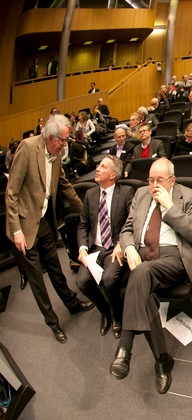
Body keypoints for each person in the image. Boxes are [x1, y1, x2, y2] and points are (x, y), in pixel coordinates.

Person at [109, 158, 192, 394]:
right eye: (150, 179)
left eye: (159, 180)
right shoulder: (141, 194)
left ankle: (124, 349)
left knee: (139, 275)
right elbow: (127, 228)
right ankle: (162, 361)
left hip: (172, 259)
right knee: (143, 291)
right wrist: (129, 247)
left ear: (172, 180)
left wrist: (169, 207)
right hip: (141, 256)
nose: (153, 185)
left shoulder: (189, 196)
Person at [5, 114, 94, 344]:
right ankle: (53, 323)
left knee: (56, 268)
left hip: (44, 222)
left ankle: (72, 304)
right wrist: (16, 231)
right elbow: (11, 193)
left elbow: (64, 185)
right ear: (51, 137)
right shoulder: (27, 147)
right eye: (63, 140)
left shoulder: (55, 154)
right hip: (24, 228)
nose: (65, 145)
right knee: (37, 279)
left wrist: (87, 211)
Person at [76, 155, 134, 338]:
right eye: (98, 166)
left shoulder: (126, 192)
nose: (97, 169)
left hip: (114, 248)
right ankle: (105, 312)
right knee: (82, 282)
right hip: (94, 249)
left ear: (113, 174)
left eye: (102, 166)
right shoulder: (90, 194)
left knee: (109, 279)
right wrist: (82, 248)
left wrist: (120, 243)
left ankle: (117, 317)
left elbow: (131, 222)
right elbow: (83, 224)